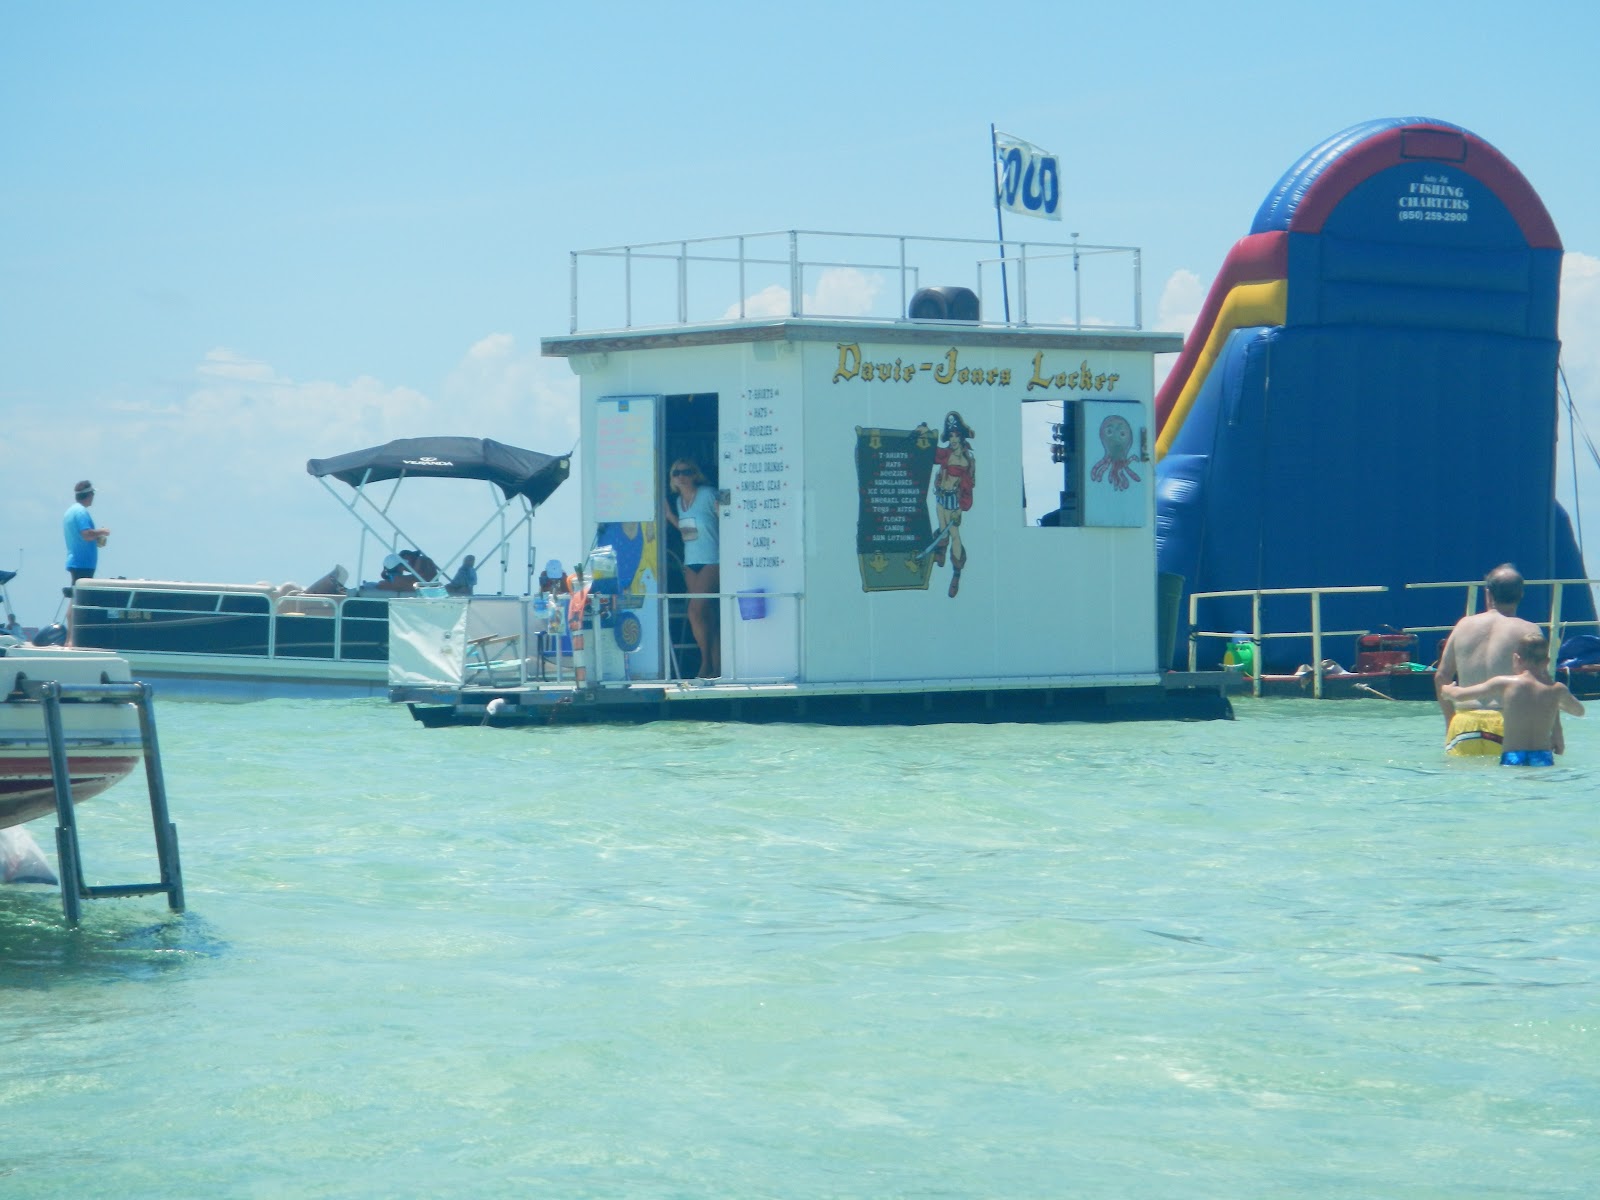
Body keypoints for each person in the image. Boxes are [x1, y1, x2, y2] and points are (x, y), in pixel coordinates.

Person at [1435, 563, 1550, 756]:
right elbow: (1542, 683)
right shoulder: (1528, 631)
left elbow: (1441, 676)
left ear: (1488, 593)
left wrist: (1450, 722)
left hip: (1464, 725)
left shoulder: (1463, 626)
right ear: (1521, 594)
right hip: (1509, 724)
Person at [1443, 632, 1584, 766]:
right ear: (1547, 661)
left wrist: (1447, 690)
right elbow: (1579, 711)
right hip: (1542, 756)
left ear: (1516, 658)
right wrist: (1555, 703)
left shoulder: (1505, 683)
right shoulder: (1557, 689)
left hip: (1513, 756)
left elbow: (1460, 696)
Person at [664, 457, 720, 678]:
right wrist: (670, 517)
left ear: (695, 474)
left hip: (712, 559)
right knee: (707, 615)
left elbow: (726, 517)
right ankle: (716, 667)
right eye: (676, 473)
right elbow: (688, 533)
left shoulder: (707, 494)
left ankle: (705, 664)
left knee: (694, 611)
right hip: (691, 561)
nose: (681, 476)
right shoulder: (679, 502)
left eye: (686, 472)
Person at [931, 411, 975, 598]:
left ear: (962, 437)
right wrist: (925, 435)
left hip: (953, 501)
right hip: (940, 497)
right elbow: (932, 454)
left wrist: (960, 508)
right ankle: (939, 555)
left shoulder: (966, 460)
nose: (954, 439)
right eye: (951, 435)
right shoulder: (946, 453)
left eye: (957, 435)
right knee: (942, 529)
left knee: (954, 535)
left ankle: (956, 573)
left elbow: (967, 488)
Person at [62, 479, 110, 586]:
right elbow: (87, 535)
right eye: (92, 494)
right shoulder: (81, 512)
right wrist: (102, 531)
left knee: (76, 595)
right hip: (83, 562)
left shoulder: (71, 511)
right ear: (88, 495)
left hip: (77, 561)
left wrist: (96, 538)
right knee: (81, 595)